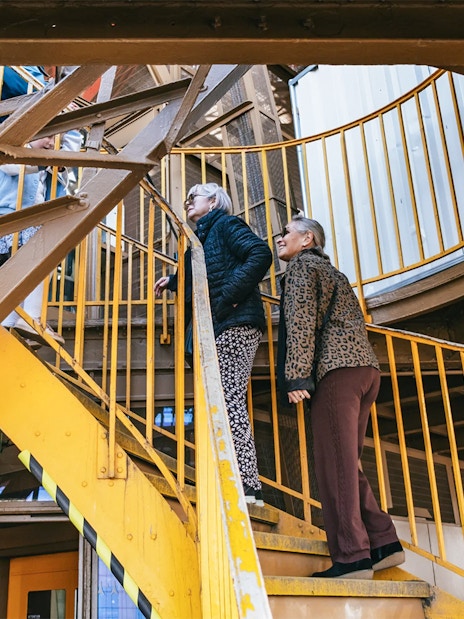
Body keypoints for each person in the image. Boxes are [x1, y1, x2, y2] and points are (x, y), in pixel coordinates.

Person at [276, 213, 404, 579]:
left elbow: (301, 319)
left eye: (286, 233)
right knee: (347, 461)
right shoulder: (334, 273)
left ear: (307, 241)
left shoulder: (302, 268)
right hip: (365, 370)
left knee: (334, 466)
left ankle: (351, 557)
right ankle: (383, 542)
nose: (280, 239)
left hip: (337, 373)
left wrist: (297, 375)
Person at [155, 183, 273, 505]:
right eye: (188, 196)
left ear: (215, 201)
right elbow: (205, 272)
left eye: (196, 195)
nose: (189, 200)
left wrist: (227, 297)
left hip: (234, 322)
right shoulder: (200, 239)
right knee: (222, 400)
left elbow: (260, 253)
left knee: (229, 398)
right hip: (220, 325)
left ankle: (247, 486)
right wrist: (174, 281)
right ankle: (239, 483)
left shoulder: (224, 224)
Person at [0, 130, 82, 347]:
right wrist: (47, 162)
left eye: (57, 138)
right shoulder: (13, 153)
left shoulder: (47, 164)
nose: (51, 142)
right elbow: (13, 167)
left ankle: (16, 322)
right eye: (47, 136)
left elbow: (70, 154)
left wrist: (73, 131)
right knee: (37, 261)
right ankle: (31, 319)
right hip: (9, 218)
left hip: (29, 222)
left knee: (29, 270)